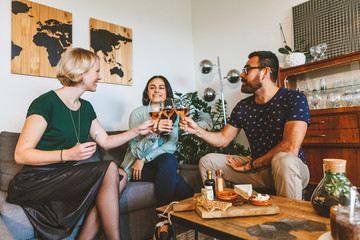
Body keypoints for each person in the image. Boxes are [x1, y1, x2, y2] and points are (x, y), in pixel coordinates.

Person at [7, 48, 155, 240]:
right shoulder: (45, 103)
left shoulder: (85, 107)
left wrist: (137, 131)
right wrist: (67, 154)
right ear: (79, 73)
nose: (100, 77)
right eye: (97, 71)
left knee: (121, 175)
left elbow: (106, 142)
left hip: (61, 177)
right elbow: (21, 155)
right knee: (110, 168)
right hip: (35, 180)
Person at [180, 51, 310, 200]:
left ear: (265, 72)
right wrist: (197, 130)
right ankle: (224, 211)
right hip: (257, 169)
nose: (242, 75)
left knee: (283, 159)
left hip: (290, 169)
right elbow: (223, 139)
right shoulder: (243, 106)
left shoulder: (294, 98)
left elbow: (290, 148)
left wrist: (251, 165)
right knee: (208, 161)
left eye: (247, 70)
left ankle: (289, 221)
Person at [121, 75, 194, 239]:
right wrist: (154, 134)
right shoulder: (138, 114)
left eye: (161, 87)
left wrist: (145, 159)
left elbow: (171, 146)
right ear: (147, 92)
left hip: (153, 163)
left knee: (169, 159)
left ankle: (162, 223)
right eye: (152, 87)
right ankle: (197, 206)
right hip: (136, 167)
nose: (157, 90)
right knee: (173, 177)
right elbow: (136, 152)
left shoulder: (172, 114)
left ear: (167, 92)